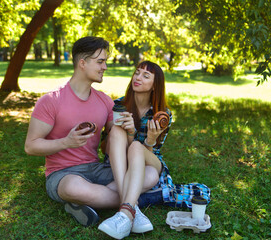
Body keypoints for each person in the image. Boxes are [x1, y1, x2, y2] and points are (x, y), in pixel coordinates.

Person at [24, 37, 158, 228]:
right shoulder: (51, 100)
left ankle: (106, 205)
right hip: (63, 174)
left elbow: (115, 145)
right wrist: (66, 142)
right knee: (74, 188)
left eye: (105, 62)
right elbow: (30, 146)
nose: (105, 67)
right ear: (82, 63)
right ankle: (131, 201)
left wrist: (129, 132)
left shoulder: (105, 101)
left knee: (151, 174)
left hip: (96, 169)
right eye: (100, 61)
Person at [98, 61, 172, 239]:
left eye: (145, 76)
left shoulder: (162, 115)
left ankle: (121, 211)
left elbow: (147, 152)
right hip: (122, 162)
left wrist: (151, 139)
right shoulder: (118, 106)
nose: (137, 78)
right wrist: (129, 133)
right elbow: (105, 147)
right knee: (150, 176)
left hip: (151, 158)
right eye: (137, 73)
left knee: (140, 148)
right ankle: (131, 209)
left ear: (155, 86)